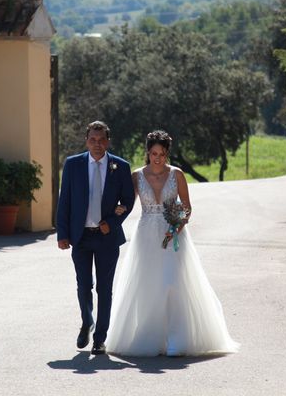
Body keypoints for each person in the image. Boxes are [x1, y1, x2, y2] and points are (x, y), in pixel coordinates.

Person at [106, 130, 239, 357]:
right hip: (146, 236)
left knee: (172, 284)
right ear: (148, 152)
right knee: (149, 286)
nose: (158, 158)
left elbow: (186, 207)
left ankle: (177, 339)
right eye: (154, 153)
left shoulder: (177, 174)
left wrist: (176, 228)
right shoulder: (136, 176)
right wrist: (118, 209)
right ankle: (151, 337)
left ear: (167, 154)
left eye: (163, 154)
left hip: (173, 235)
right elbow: (127, 203)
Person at [56, 121, 135, 355]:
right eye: (93, 139)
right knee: (83, 285)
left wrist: (110, 223)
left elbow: (127, 201)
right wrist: (63, 234)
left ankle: (100, 339)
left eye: (101, 140)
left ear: (108, 141)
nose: (97, 144)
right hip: (80, 237)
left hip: (107, 238)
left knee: (104, 288)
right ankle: (87, 321)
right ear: (86, 140)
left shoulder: (120, 167)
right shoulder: (73, 165)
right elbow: (65, 201)